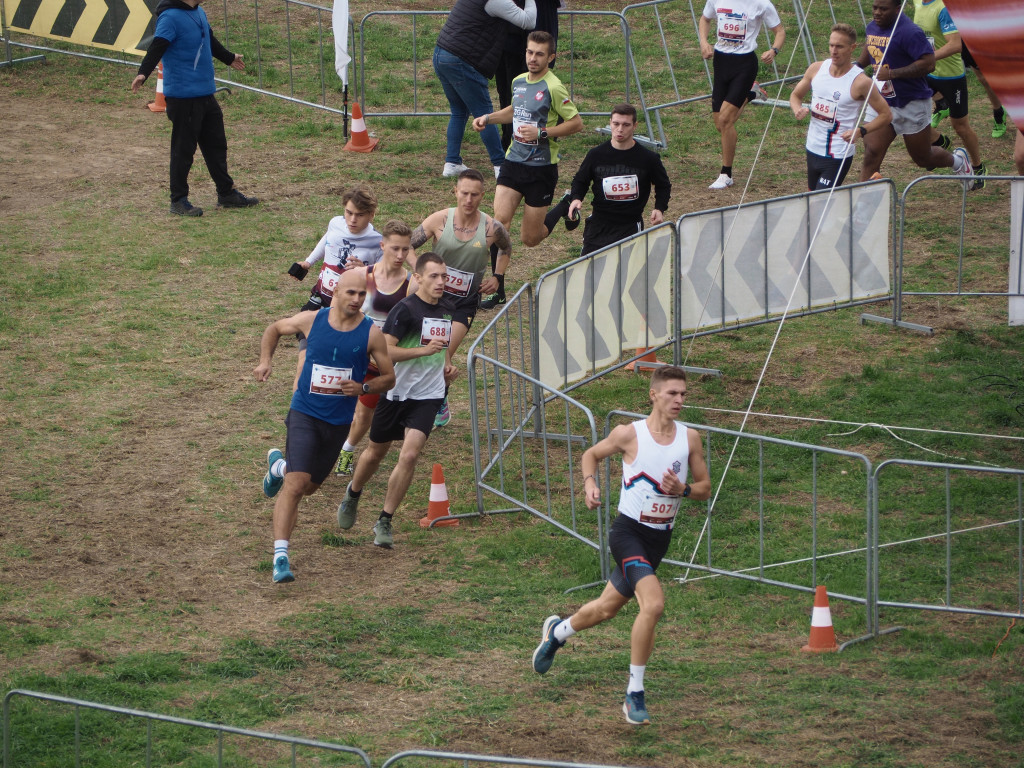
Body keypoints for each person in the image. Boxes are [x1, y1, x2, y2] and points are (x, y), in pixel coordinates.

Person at [531, 366, 711, 725]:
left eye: (683, 394)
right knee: (654, 604)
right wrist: (589, 484)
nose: (679, 400)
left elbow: (705, 487)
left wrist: (685, 490)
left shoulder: (689, 439)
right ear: (654, 395)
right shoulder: (629, 434)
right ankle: (634, 694)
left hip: (659, 539)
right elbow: (591, 455)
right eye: (672, 393)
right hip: (627, 533)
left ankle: (557, 632)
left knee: (605, 609)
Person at [253, 269, 395, 583]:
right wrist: (266, 361)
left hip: (339, 421)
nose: (357, 300)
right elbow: (274, 329)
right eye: (351, 293)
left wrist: (364, 389)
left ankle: (278, 467)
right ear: (336, 293)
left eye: (362, 295)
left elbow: (389, 378)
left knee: (310, 486)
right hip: (304, 411)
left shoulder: (371, 333)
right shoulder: (312, 320)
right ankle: (280, 557)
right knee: (296, 484)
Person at [335, 253, 458, 549]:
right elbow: (386, 352)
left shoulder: (447, 309)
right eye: (434, 276)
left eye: (444, 276)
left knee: (410, 455)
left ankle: (385, 520)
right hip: (395, 393)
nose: (441, 281)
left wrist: (447, 366)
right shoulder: (405, 310)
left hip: (427, 396)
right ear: (417, 278)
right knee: (375, 452)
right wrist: (423, 352)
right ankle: (353, 493)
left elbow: (441, 349)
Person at [131, 0, 258, 217]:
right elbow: (157, 46)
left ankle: (226, 193)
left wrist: (228, 58)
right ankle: (178, 200)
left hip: (205, 92)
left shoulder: (198, 12)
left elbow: (208, 40)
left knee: (217, 145)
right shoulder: (169, 18)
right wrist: (143, 73)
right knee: (183, 150)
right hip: (183, 97)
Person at [411, 169, 512, 426]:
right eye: (464, 193)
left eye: (474, 195)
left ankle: (438, 401)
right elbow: (408, 246)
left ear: (482, 196)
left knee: (443, 352)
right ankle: (431, 396)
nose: (469, 200)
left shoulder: (491, 227)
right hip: (432, 300)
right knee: (428, 354)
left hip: (463, 303)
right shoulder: (439, 220)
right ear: (455, 192)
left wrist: (497, 277)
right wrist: (421, 272)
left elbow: (506, 248)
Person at [473, 30, 583, 250]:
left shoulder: (554, 87)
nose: (533, 58)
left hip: (541, 169)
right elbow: (515, 110)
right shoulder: (518, 81)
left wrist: (541, 133)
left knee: (530, 239)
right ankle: (498, 283)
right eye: (530, 52)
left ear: (551, 57)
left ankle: (564, 206)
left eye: (540, 54)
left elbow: (576, 123)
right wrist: (488, 118)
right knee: (499, 225)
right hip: (513, 161)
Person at [856, 0, 973, 183]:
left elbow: (929, 63)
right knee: (871, 153)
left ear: (897, 9)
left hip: (912, 102)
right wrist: (854, 67)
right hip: (883, 101)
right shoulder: (873, 27)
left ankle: (957, 161)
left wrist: (893, 74)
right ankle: (864, 207)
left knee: (922, 158)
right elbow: (870, 47)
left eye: (883, 9)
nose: (877, 13)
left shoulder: (910, 32)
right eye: (875, 8)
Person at [334, 220, 417, 476]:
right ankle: (330, 445)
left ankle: (346, 452)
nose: (400, 255)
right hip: (353, 354)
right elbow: (340, 312)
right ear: (382, 246)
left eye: (405, 250)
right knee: (340, 406)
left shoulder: (411, 284)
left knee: (365, 411)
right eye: (395, 249)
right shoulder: (362, 276)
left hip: (382, 363)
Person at [288, 184, 383, 391]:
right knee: (304, 358)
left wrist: (365, 271)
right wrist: (308, 262)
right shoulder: (336, 224)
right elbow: (327, 239)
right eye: (348, 213)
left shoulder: (378, 242)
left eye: (359, 215)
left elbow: (385, 279)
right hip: (321, 300)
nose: (352, 220)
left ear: (372, 215)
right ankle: (298, 406)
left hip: (350, 312)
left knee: (337, 362)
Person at [433, 0, 538, 179]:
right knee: (485, 114)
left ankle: (452, 162)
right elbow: (528, 21)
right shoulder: (496, 1)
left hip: (441, 54)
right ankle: (500, 165)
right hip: (462, 59)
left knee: (458, 111)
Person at [789, 24, 892, 191]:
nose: (834, 51)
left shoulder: (861, 82)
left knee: (819, 203)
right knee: (812, 199)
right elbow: (795, 95)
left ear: (852, 48)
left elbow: (886, 115)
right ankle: (874, 184)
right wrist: (797, 109)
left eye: (839, 46)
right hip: (812, 148)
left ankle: (873, 187)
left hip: (837, 154)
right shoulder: (816, 69)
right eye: (831, 45)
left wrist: (861, 131)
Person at [699, 0, 786, 190]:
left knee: (725, 120)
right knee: (719, 124)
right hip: (721, 62)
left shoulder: (761, 3)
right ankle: (751, 94)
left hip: (744, 64)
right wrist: (704, 42)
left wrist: (774, 50)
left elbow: (779, 30)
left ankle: (726, 174)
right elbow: (705, 19)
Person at [564, 103, 672, 256]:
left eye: (626, 125)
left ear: (635, 126)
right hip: (598, 225)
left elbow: (663, 185)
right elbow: (581, 180)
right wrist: (576, 198)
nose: (620, 129)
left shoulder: (648, 158)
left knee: (625, 275)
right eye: (616, 124)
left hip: (629, 226)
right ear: (610, 123)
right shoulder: (596, 155)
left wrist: (659, 208)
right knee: (590, 275)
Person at [913, 0, 985, 190]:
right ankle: (939, 141)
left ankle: (978, 167)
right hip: (928, 73)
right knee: (912, 114)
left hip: (951, 78)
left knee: (960, 126)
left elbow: (955, 45)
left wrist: (927, 57)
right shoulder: (917, 2)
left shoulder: (943, 8)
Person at [495, 0, 561, 152]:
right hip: (510, 38)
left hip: (535, 25)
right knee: (510, 93)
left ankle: (539, 138)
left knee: (539, 90)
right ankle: (510, 139)